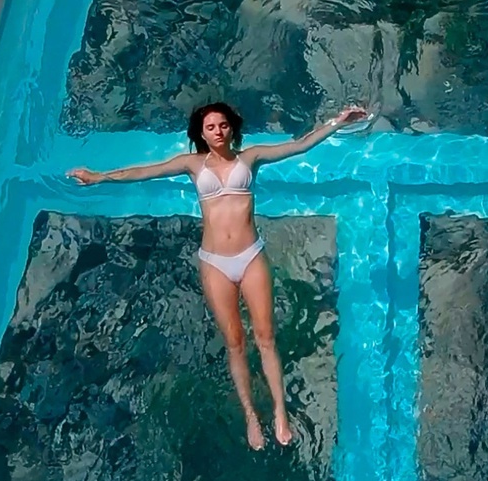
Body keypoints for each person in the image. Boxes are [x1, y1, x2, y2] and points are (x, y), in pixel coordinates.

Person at [68, 98, 368, 449]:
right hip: (215, 262)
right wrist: (99, 177)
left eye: (223, 125)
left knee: (266, 336)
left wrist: (339, 121)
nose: (218, 131)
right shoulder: (192, 164)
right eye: (210, 127)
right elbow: (143, 172)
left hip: (251, 255)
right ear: (202, 133)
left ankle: (279, 412)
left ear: (231, 128)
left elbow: (299, 145)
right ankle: (251, 416)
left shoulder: (250, 158)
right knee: (235, 342)